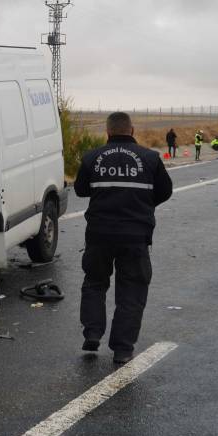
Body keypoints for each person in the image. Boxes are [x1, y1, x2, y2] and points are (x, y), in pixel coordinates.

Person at [74, 112, 173, 365]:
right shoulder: (150, 158)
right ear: (132, 130)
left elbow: (80, 189)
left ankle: (93, 333)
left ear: (107, 132)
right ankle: (122, 349)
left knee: (94, 282)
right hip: (135, 236)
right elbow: (165, 191)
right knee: (132, 290)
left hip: (99, 234)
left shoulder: (92, 158)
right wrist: (141, 204)